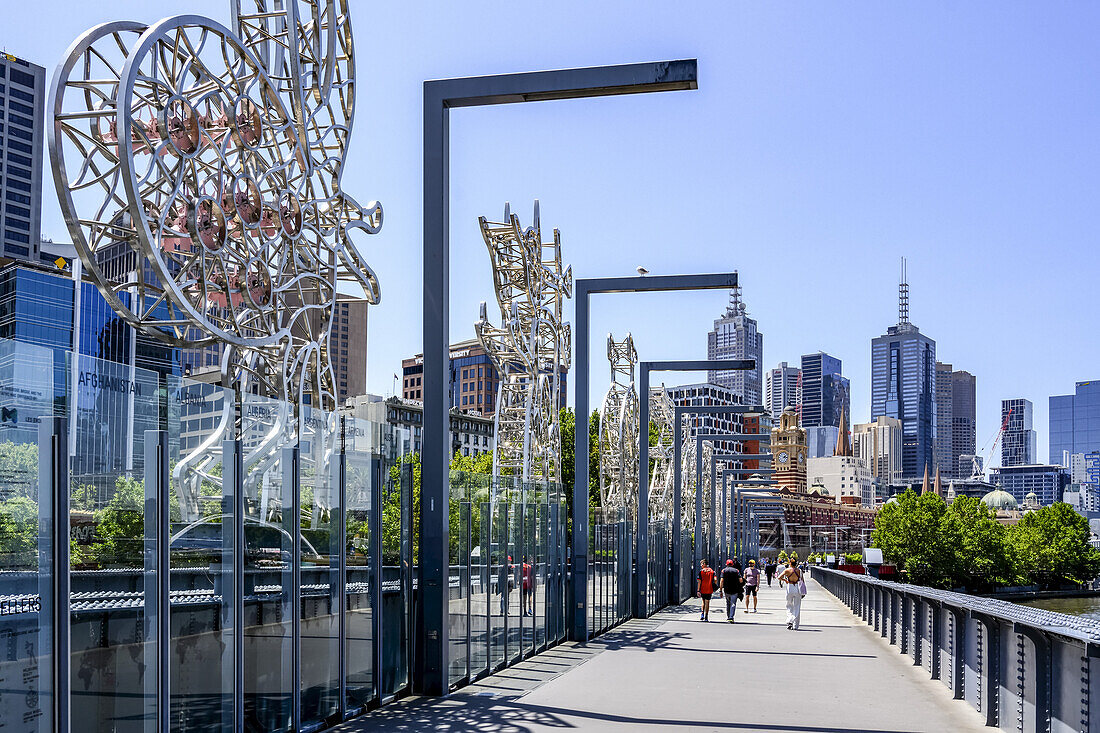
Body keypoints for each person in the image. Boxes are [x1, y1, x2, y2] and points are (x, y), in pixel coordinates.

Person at [778, 558, 804, 630]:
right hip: (797, 589)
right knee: (797, 606)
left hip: (790, 587)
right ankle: (795, 625)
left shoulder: (787, 570)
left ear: (790, 563)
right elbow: (802, 581)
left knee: (789, 604)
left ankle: (789, 620)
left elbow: (779, 577)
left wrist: (785, 580)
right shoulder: (799, 571)